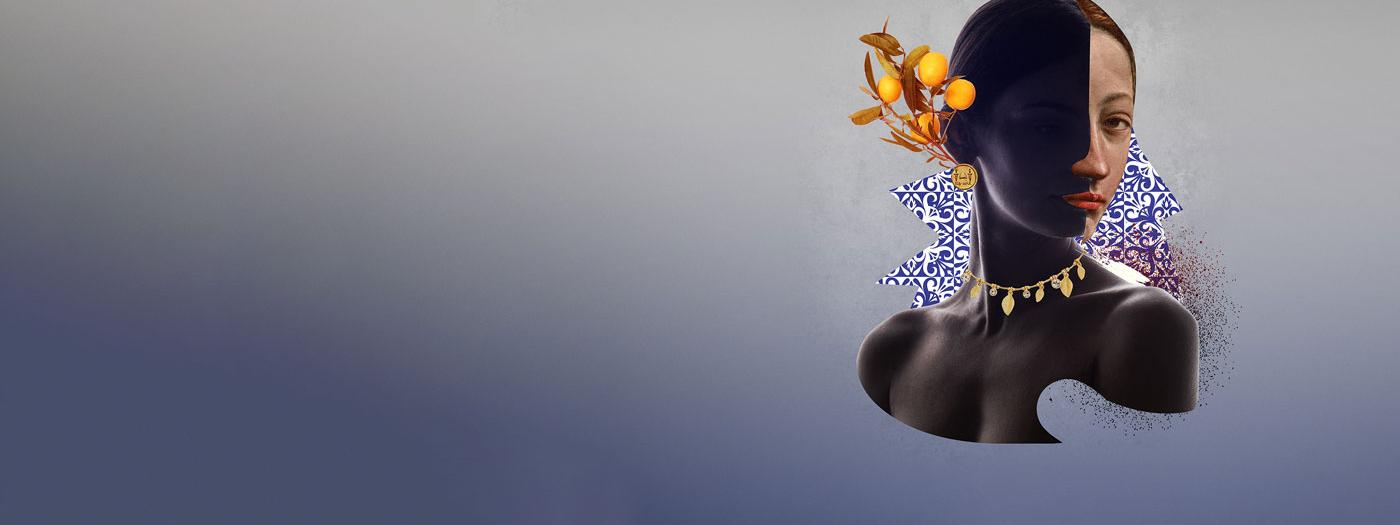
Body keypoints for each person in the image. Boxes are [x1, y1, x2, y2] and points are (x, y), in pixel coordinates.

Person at [857, 0, 1198, 443]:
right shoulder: (893, 352)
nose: (1095, 162)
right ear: (959, 135)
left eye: (1115, 122)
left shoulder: (1143, 327)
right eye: (1049, 127)